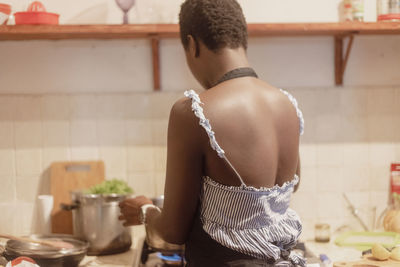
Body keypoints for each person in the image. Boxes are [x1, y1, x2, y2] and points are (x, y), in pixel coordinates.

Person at [119, 0, 305, 266]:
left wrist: (145, 211)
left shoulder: (194, 112)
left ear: (192, 45)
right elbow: (291, 183)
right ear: (242, 39)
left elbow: (172, 233)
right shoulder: (286, 104)